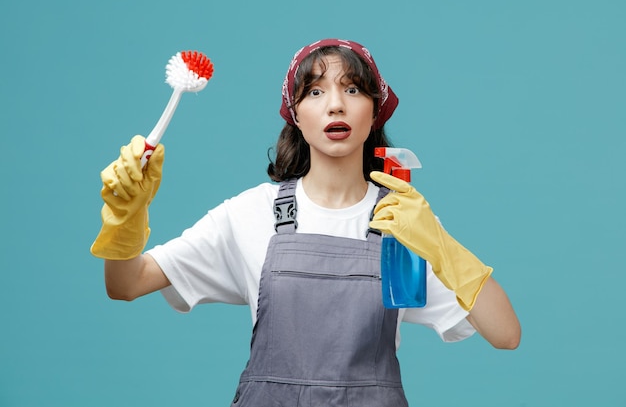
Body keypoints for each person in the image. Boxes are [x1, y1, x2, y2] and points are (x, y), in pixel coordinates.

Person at [91, 38, 521, 406]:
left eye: (353, 89)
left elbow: (506, 334)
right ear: (295, 114)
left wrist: (439, 245)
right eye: (314, 92)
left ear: (376, 112)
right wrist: (127, 216)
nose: (335, 104)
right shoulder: (250, 213)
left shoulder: (403, 222)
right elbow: (126, 285)